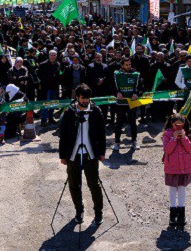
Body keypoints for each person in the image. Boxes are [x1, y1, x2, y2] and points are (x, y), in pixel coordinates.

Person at [59, 84, 106, 226]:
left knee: (94, 184)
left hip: (90, 154)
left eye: (88, 99)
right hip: (73, 155)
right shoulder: (69, 112)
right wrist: (62, 155)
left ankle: (98, 212)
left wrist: (102, 152)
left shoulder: (96, 111)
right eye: (83, 98)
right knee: (74, 185)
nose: (85, 101)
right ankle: (79, 211)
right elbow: (63, 135)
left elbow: (102, 134)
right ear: (77, 97)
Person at [162, 113, 191, 229]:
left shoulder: (189, 134)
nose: (179, 128)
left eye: (182, 125)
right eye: (177, 125)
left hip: (184, 168)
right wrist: (174, 138)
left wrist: (185, 138)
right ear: (172, 124)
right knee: (172, 189)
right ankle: (172, 214)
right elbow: (167, 150)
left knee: (182, 189)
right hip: (172, 167)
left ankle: (181, 214)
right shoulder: (167, 134)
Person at [111, 57, 142, 150]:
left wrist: (136, 94)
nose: (128, 66)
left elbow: (141, 87)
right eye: (126, 65)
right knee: (119, 123)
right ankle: (117, 142)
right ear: (122, 65)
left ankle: (134, 141)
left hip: (131, 103)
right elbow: (112, 86)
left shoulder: (136, 74)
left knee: (133, 123)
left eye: (129, 64)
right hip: (120, 103)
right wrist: (117, 92)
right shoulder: (117, 74)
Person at [37, 50, 60, 126]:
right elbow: (39, 75)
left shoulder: (58, 64)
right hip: (46, 88)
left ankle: (50, 118)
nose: (53, 57)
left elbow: (60, 74)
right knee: (46, 104)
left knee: (53, 104)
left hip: (55, 87)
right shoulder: (43, 64)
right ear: (49, 55)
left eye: (54, 55)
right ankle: (43, 120)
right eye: (51, 55)